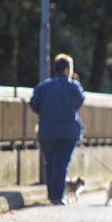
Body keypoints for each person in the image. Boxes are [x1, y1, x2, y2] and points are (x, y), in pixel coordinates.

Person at [30, 53, 85, 205]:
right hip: (68, 131)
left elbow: (34, 104)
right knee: (61, 163)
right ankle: (57, 196)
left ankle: (51, 195)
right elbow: (80, 101)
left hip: (46, 131)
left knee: (50, 162)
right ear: (67, 70)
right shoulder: (74, 86)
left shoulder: (43, 86)